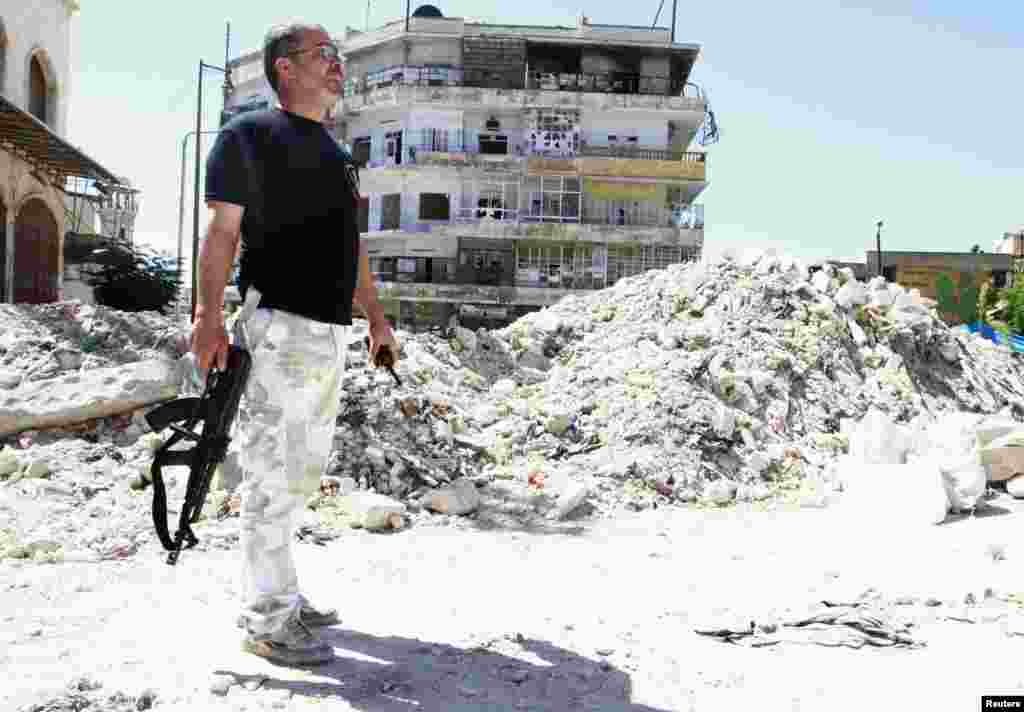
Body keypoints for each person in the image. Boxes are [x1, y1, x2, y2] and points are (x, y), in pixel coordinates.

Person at [191, 21, 398, 666]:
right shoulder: (247, 135)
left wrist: (377, 318)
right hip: (277, 326)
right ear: (285, 67)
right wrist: (206, 315)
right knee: (271, 475)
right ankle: (265, 620)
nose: (338, 65)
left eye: (337, 55)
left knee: (302, 473)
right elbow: (223, 233)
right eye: (324, 55)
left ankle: (283, 593)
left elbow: (353, 246)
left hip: (330, 331)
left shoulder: (338, 155)